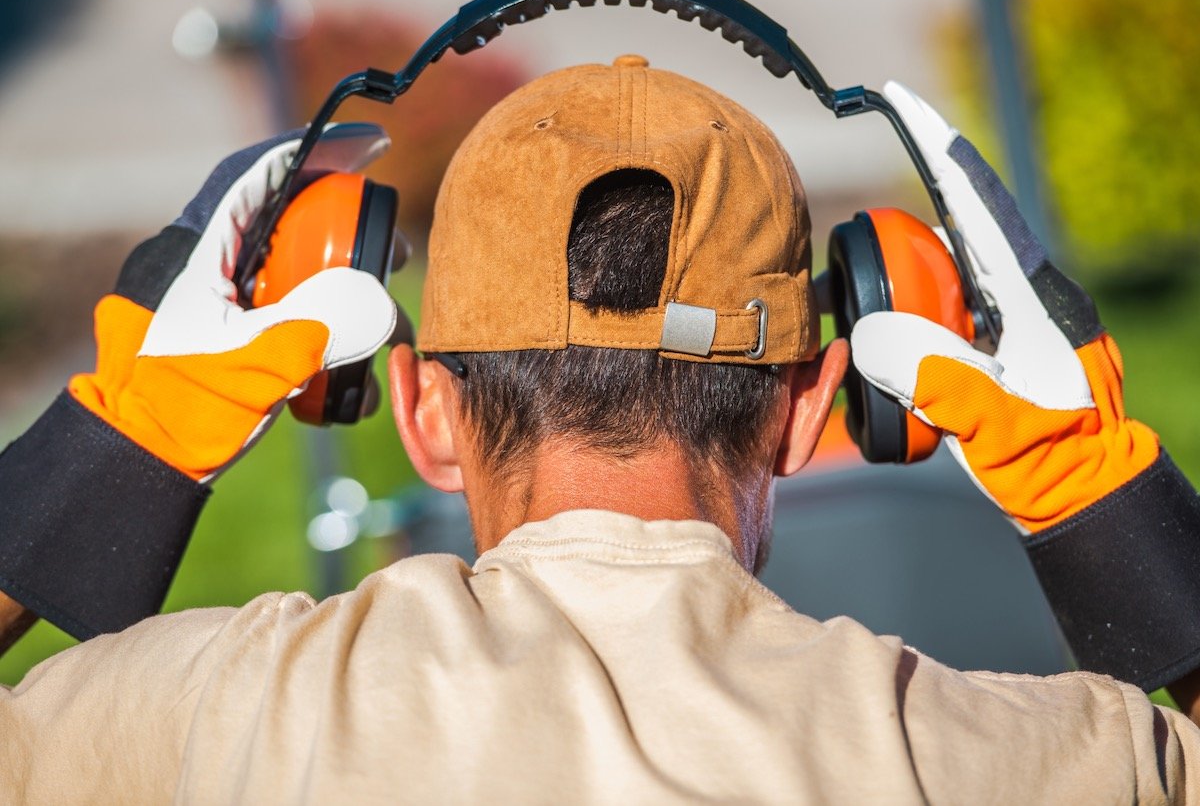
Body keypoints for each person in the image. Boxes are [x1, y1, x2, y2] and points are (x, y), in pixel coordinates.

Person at [1, 55, 1199, 803]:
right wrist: (1093, 487)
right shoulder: (990, 757)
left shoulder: (206, 722)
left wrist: (116, 447)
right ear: (809, 410)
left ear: (423, 415)